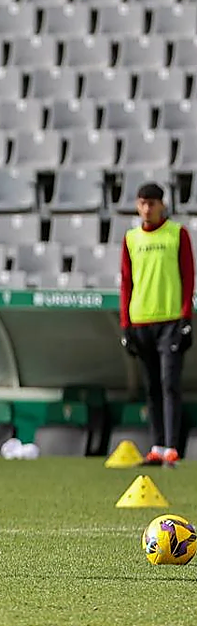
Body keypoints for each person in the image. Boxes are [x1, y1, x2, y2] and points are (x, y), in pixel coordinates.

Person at [120, 182, 194, 467]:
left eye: (152, 203)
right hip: (141, 321)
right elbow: (126, 282)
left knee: (169, 383)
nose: (147, 209)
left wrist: (187, 317)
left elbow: (188, 277)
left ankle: (172, 448)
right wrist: (125, 324)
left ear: (162, 204)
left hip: (170, 321)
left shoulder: (177, 234)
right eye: (142, 203)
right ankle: (156, 446)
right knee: (151, 387)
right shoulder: (131, 239)